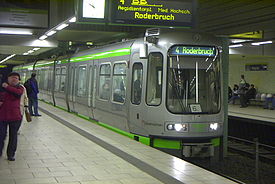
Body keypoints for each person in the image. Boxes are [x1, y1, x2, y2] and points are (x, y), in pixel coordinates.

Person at [0, 72, 24, 161]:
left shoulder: (20, 88)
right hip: (2, 116)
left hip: (15, 116)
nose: (14, 79)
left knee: (13, 136)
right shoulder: (1, 88)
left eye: (16, 78)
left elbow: (18, 94)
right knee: (1, 135)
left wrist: (6, 87)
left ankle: (11, 154)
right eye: (12, 77)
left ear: (19, 80)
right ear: (8, 79)